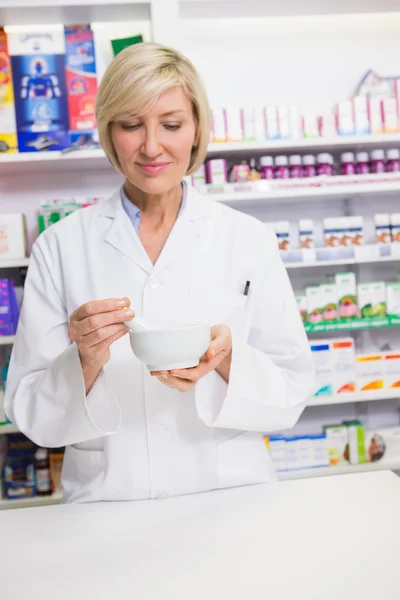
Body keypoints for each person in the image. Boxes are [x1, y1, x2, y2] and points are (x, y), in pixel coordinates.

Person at [5, 43, 314, 503]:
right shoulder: (60, 246)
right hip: (109, 501)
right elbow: (31, 412)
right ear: (110, 132)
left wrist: (225, 360)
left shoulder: (248, 238)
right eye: (131, 125)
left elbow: (292, 387)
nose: (152, 146)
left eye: (171, 124)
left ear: (195, 130)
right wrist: (85, 362)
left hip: (231, 496)